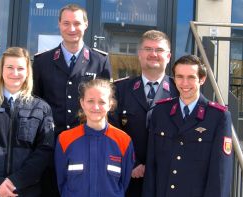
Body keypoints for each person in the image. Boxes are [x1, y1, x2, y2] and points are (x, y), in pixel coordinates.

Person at [32, 4, 112, 196]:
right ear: (59, 25)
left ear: (86, 24)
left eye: (77, 23)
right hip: (50, 144)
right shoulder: (42, 61)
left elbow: (106, 104)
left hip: (86, 142)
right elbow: (35, 103)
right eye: (66, 23)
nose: (72, 28)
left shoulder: (99, 61)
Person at [0, 47, 55, 197]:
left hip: (24, 190)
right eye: (10, 67)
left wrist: (15, 182)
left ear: (27, 73)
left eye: (20, 68)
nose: (15, 73)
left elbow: (44, 150)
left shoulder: (41, 108)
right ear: (1, 70)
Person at [143, 55, 233, 197]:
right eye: (179, 77)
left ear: (202, 79)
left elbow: (220, 173)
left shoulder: (218, 117)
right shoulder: (160, 112)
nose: (185, 83)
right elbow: (152, 165)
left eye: (191, 77)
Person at [109, 30, 178, 197]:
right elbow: (113, 130)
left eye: (159, 50)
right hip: (129, 176)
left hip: (167, 177)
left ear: (168, 56)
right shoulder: (120, 89)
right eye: (148, 49)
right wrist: (133, 163)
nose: (153, 54)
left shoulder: (180, 90)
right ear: (139, 54)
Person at [55, 79, 134, 197]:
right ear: (82, 103)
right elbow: (61, 181)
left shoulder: (123, 141)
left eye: (102, 102)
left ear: (110, 104)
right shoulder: (65, 139)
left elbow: (124, 181)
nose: (95, 107)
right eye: (90, 101)